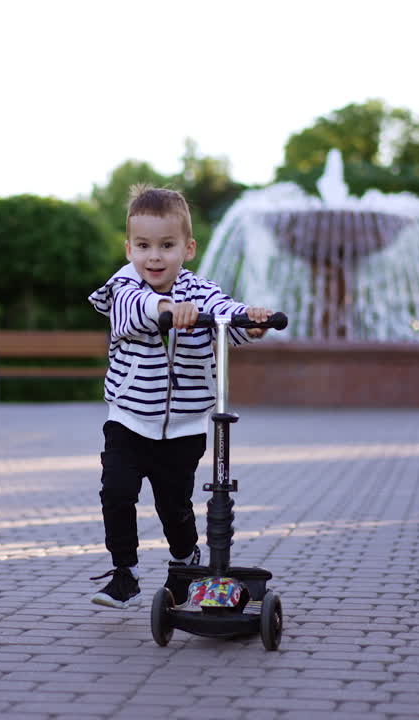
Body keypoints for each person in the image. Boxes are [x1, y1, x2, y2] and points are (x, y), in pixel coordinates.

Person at [86, 184, 272, 608]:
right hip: (130, 419)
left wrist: (251, 320)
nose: (155, 256)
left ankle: (185, 560)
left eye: (166, 246)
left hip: (185, 425)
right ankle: (125, 571)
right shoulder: (124, 289)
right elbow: (136, 313)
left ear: (187, 248)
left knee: (175, 505)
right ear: (129, 247)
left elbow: (224, 313)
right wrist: (166, 310)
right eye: (144, 245)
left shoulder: (198, 290)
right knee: (116, 492)